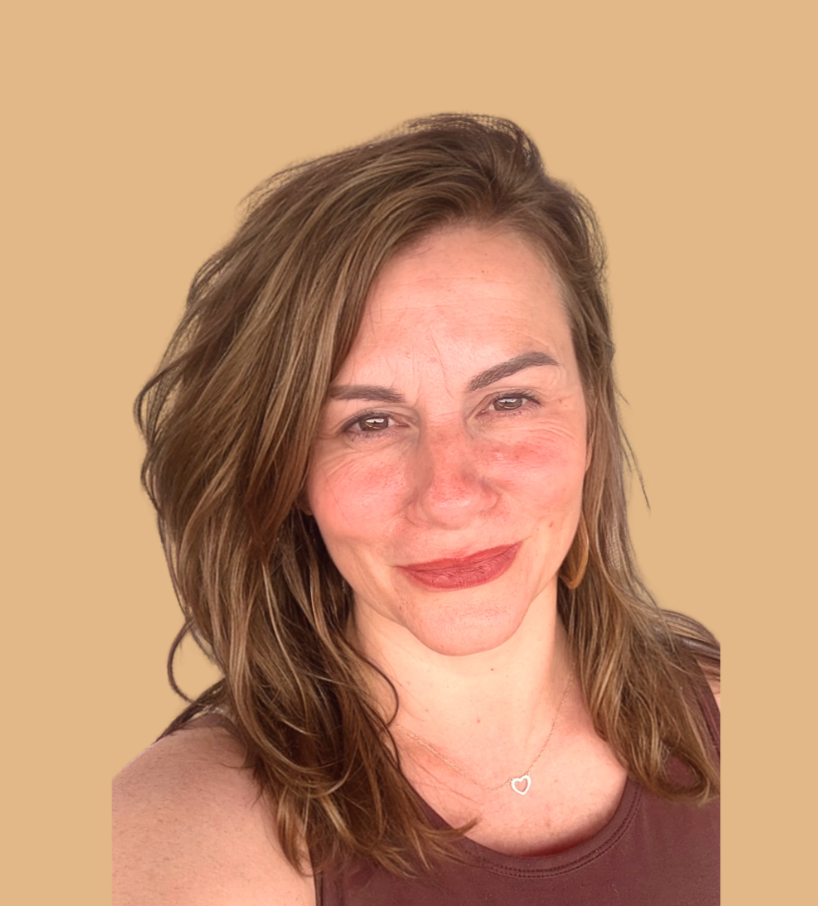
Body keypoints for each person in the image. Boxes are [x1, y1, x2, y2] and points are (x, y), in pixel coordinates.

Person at [113, 114, 720, 905]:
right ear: (289, 466)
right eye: (369, 421)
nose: (450, 491)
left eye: (508, 401)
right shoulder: (181, 832)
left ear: (591, 420)